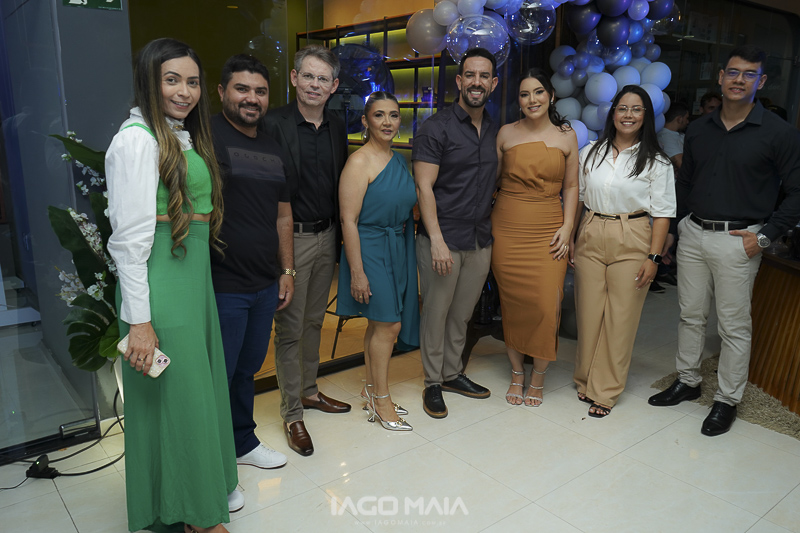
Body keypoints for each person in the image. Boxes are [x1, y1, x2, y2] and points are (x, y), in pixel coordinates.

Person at [106, 38, 239, 533]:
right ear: (149, 80)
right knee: (181, 400)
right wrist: (140, 322)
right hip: (162, 287)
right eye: (172, 80)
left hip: (190, 282)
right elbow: (129, 243)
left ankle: (191, 503)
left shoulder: (176, 136)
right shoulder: (136, 140)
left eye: (193, 81)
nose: (185, 91)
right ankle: (196, 517)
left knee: (192, 397)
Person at [648, 45, 800, 436]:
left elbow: (797, 192)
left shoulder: (779, 133)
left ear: (761, 82)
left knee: (733, 326)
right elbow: (685, 182)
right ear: (720, 77)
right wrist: (674, 229)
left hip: (740, 240)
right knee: (690, 315)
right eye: (733, 72)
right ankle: (687, 380)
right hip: (694, 233)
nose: (739, 80)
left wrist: (764, 237)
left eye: (749, 74)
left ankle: (727, 400)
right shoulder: (700, 129)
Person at [261, 45, 350, 457]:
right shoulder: (272, 124)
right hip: (290, 239)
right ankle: (292, 412)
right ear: (295, 78)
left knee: (315, 321)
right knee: (290, 329)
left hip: (327, 234)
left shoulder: (336, 125)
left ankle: (310, 392)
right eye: (308, 76)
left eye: (323, 79)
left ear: (333, 86)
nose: (315, 85)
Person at [570, 85, 676, 418]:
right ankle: (586, 378)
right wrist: (571, 236)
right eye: (622, 108)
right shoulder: (591, 152)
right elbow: (579, 198)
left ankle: (606, 390)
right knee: (588, 312)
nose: (628, 115)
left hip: (633, 235)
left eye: (636, 109)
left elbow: (663, 214)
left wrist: (653, 258)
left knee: (621, 317)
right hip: (591, 229)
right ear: (612, 113)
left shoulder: (657, 161)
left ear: (646, 116)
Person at [210, 54, 291, 470]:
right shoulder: (204, 137)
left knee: (247, 370)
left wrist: (286, 270)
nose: (251, 98)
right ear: (221, 91)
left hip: (264, 283)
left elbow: (282, 215)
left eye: (260, 91)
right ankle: (214, 462)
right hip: (221, 283)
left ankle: (242, 442)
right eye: (242, 89)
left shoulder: (272, 146)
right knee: (217, 376)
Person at [413, 47, 499, 418]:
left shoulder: (495, 129)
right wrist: (436, 240)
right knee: (436, 313)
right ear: (460, 81)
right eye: (471, 75)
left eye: (484, 76)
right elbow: (424, 188)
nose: (477, 82)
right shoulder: (436, 127)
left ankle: (452, 373)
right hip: (443, 238)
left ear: (493, 83)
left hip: (480, 239)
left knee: (462, 314)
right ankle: (433, 381)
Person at [492, 68, 578, 407]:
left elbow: (572, 186)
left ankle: (538, 376)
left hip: (549, 229)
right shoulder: (505, 134)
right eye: (525, 94)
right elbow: (491, 181)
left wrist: (568, 227)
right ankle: (517, 373)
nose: (532, 99)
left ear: (551, 96)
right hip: (507, 227)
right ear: (519, 100)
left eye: (539, 92)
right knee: (512, 304)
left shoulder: (566, 136)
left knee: (546, 304)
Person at [336, 91, 419, 431]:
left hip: (396, 245)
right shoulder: (359, 162)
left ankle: (370, 391)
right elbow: (348, 220)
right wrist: (357, 271)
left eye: (393, 115)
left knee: (378, 324)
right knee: (389, 325)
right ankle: (383, 400)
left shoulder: (399, 160)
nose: (387, 122)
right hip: (369, 246)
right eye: (379, 115)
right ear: (365, 121)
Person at [657, 101, 689, 170]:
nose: (687, 122)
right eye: (686, 118)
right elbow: (682, 164)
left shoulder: (679, 135)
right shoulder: (665, 137)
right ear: (679, 119)